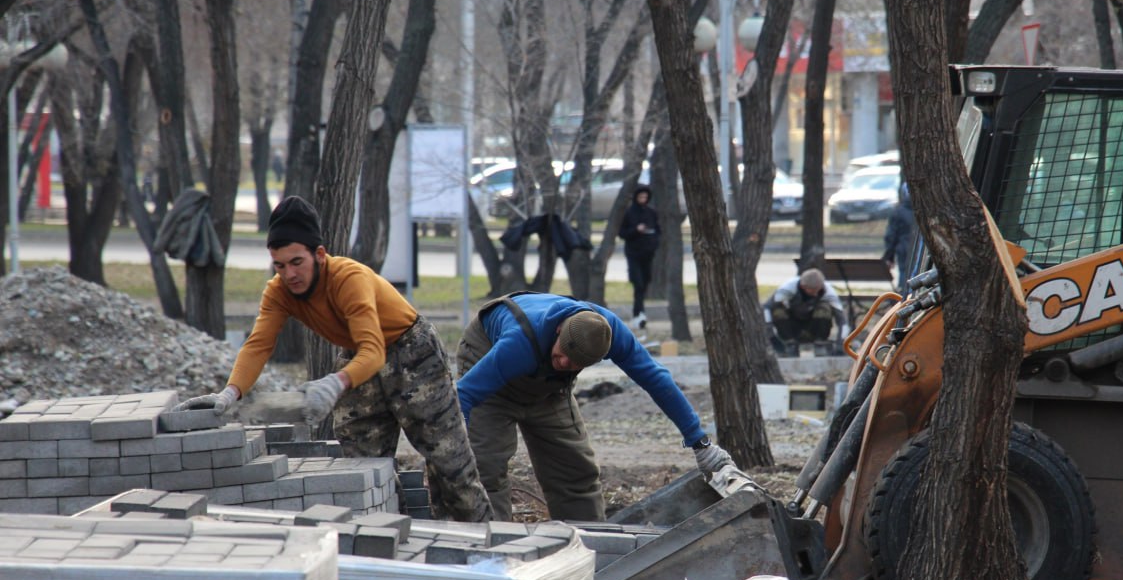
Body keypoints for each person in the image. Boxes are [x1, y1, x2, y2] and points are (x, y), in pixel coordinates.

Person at [175, 196, 492, 522]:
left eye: (297, 262)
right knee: (364, 469)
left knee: (450, 466)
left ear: (320, 255)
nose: (289, 275)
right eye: (280, 265)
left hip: (411, 352)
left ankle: (483, 551)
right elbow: (258, 346)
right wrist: (230, 393)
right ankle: (395, 540)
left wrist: (334, 383)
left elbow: (374, 350)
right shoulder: (278, 292)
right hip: (358, 360)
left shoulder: (348, 279)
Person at [454, 292, 734, 522]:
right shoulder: (517, 345)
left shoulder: (608, 334)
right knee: (485, 466)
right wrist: (453, 448)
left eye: (576, 364)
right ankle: (489, 552)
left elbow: (656, 379)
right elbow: (464, 395)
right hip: (487, 361)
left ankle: (590, 550)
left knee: (575, 471)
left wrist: (700, 442)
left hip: (548, 385)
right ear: (559, 330)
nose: (566, 364)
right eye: (563, 355)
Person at [762, 268, 847, 356]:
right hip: (792, 326)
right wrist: (771, 336)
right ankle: (790, 344)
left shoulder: (829, 292)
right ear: (803, 286)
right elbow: (766, 308)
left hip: (814, 327)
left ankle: (820, 343)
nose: (816, 294)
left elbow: (842, 321)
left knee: (824, 308)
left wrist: (841, 345)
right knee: (777, 309)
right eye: (813, 290)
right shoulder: (788, 287)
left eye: (818, 289)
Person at [618, 184, 660, 330]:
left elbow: (657, 231)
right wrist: (636, 230)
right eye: (641, 197)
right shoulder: (630, 213)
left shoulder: (651, 213)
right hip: (634, 253)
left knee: (644, 283)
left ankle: (640, 314)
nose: (643, 199)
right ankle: (638, 313)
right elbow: (622, 233)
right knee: (638, 283)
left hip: (648, 253)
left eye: (645, 197)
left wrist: (654, 243)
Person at [883, 182, 918, 296]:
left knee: (904, 275)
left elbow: (891, 236)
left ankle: (903, 298)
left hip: (903, 251)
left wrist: (889, 256)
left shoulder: (898, 212)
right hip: (919, 251)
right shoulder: (924, 210)